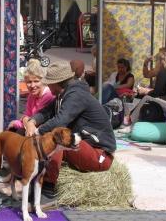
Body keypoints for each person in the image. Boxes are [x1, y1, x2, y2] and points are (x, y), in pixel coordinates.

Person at [24, 62, 115, 199]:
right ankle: (31, 178)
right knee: (54, 136)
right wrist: (32, 121)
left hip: (101, 154)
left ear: (58, 83)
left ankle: (47, 187)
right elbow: (46, 112)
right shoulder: (64, 94)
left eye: (49, 83)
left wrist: (37, 132)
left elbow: (60, 120)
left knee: (57, 138)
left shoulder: (75, 95)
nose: (47, 86)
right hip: (86, 146)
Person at [8, 59, 55, 130]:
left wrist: (17, 123)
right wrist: (23, 120)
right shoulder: (31, 95)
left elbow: (35, 120)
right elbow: (27, 115)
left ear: (43, 81)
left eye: (36, 81)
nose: (32, 85)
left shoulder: (48, 95)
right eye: (29, 82)